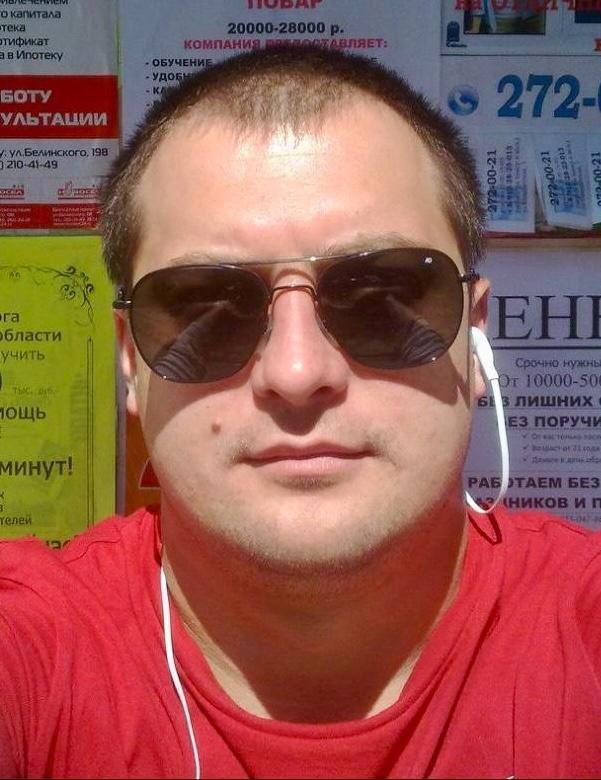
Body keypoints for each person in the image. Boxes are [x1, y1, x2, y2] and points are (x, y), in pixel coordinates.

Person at [1, 45, 600, 780]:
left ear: (473, 339)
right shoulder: (31, 649)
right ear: (131, 360)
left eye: (382, 295)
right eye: (205, 306)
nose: (296, 373)